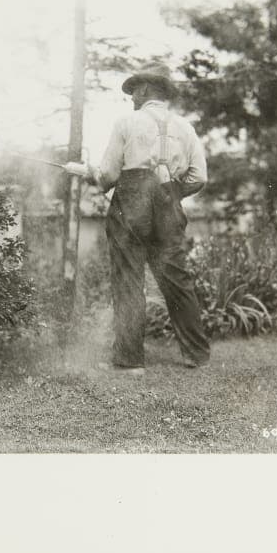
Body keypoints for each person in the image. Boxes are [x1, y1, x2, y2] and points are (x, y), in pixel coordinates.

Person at [64, 63, 211, 372]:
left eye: (134, 91)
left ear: (145, 89)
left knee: (128, 278)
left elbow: (108, 175)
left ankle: (130, 360)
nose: (131, 97)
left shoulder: (127, 122)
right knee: (177, 279)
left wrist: (88, 172)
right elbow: (199, 177)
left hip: (131, 203)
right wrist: (171, 193)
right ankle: (197, 356)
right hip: (168, 201)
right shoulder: (185, 127)